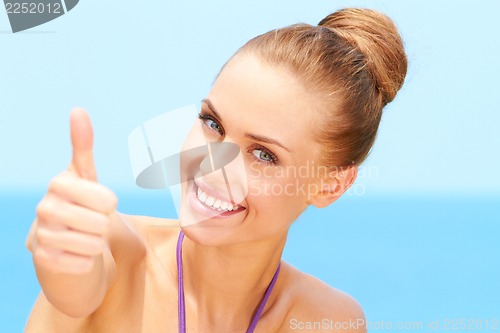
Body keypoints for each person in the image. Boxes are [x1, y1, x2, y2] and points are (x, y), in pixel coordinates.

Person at [25, 7, 407, 333]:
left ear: (330, 185)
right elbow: (78, 284)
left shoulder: (328, 320)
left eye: (263, 155)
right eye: (213, 124)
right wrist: (64, 259)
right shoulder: (114, 251)